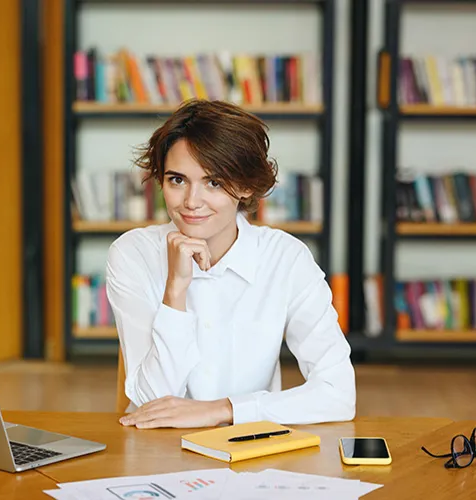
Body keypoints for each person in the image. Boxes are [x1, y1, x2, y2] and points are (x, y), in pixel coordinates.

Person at [105, 99, 356, 430]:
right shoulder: (132, 254)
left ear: (246, 186)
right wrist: (175, 290)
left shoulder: (286, 258)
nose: (192, 202)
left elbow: (338, 394)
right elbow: (152, 404)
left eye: (214, 182)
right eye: (177, 180)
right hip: (160, 451)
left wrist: (224, 410)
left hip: (253, 450)